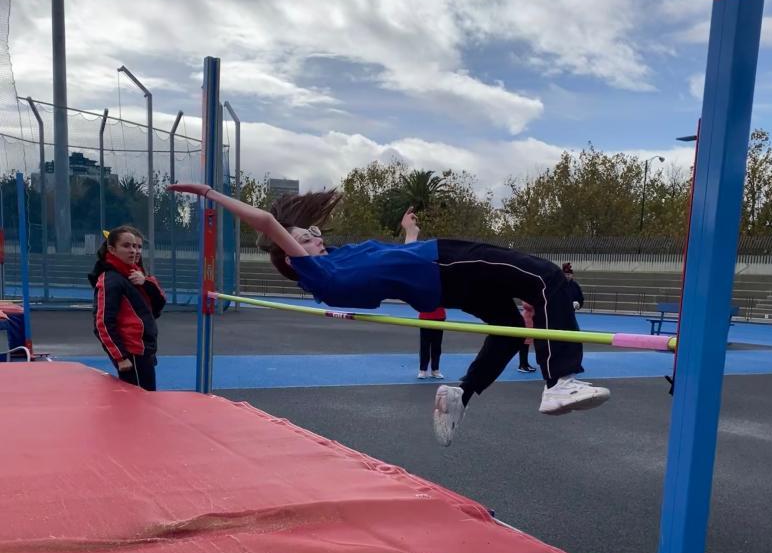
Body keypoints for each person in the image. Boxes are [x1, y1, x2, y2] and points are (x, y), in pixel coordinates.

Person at [168, 183, 610, 445]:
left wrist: (409, 233)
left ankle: (462, 393)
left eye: (314, 231)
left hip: (439, 280)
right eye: (304, 238)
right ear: (292, 256)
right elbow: (266, 222)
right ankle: (559, 381)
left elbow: (395, 265)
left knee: (510, 327)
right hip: (446, 262)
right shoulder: (317, 272)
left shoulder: (339, 262)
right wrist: (209, 193)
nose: (316, 237)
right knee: (548, 278)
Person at [88, 225, 165, 391]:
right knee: (139, 399)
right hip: (132, 352)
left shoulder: (135, 274)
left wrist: (146, 283)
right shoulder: (111, 279)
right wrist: (120, 357)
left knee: (146, 398)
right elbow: (102, 323)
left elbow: (158, 306)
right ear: (112, 249)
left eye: (138, 247)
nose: (134, 251)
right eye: (127, 246)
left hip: (144, 349)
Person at [418, 307, 446, 379]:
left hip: (439, 317)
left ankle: (435, 370)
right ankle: (423, 370)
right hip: (425, 317)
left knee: (437, 346)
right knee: (424, 345)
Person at [517, 301, 536, 373]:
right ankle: (522, 365)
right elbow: (526, 305)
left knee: (526, 345)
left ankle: (526, 364)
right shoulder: (528, 297)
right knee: (524, 345)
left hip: (530, 322)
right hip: (526, 322)